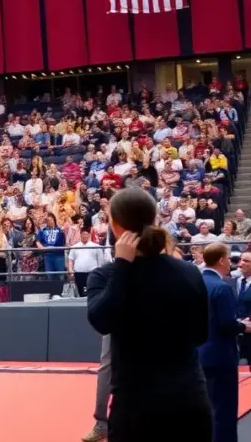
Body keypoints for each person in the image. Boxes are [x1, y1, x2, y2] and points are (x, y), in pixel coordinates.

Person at [86, 188, 211, 442]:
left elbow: (101, 320)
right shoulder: (189, 272)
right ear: (155, 219)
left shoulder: (107, 276)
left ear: (115, 226)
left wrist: (122, 266)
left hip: (136, 409)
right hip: (190, 402)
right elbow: (200, 335)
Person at [200, 242, 246, 442]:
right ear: (221, 260)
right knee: (225, 409)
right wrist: (243, 326)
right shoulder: (222, 287)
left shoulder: (197, 282)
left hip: (200, 354)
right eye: (228, 258)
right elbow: (227, 324)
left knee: (206, 406)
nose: (231, 263)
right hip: (221, 356)